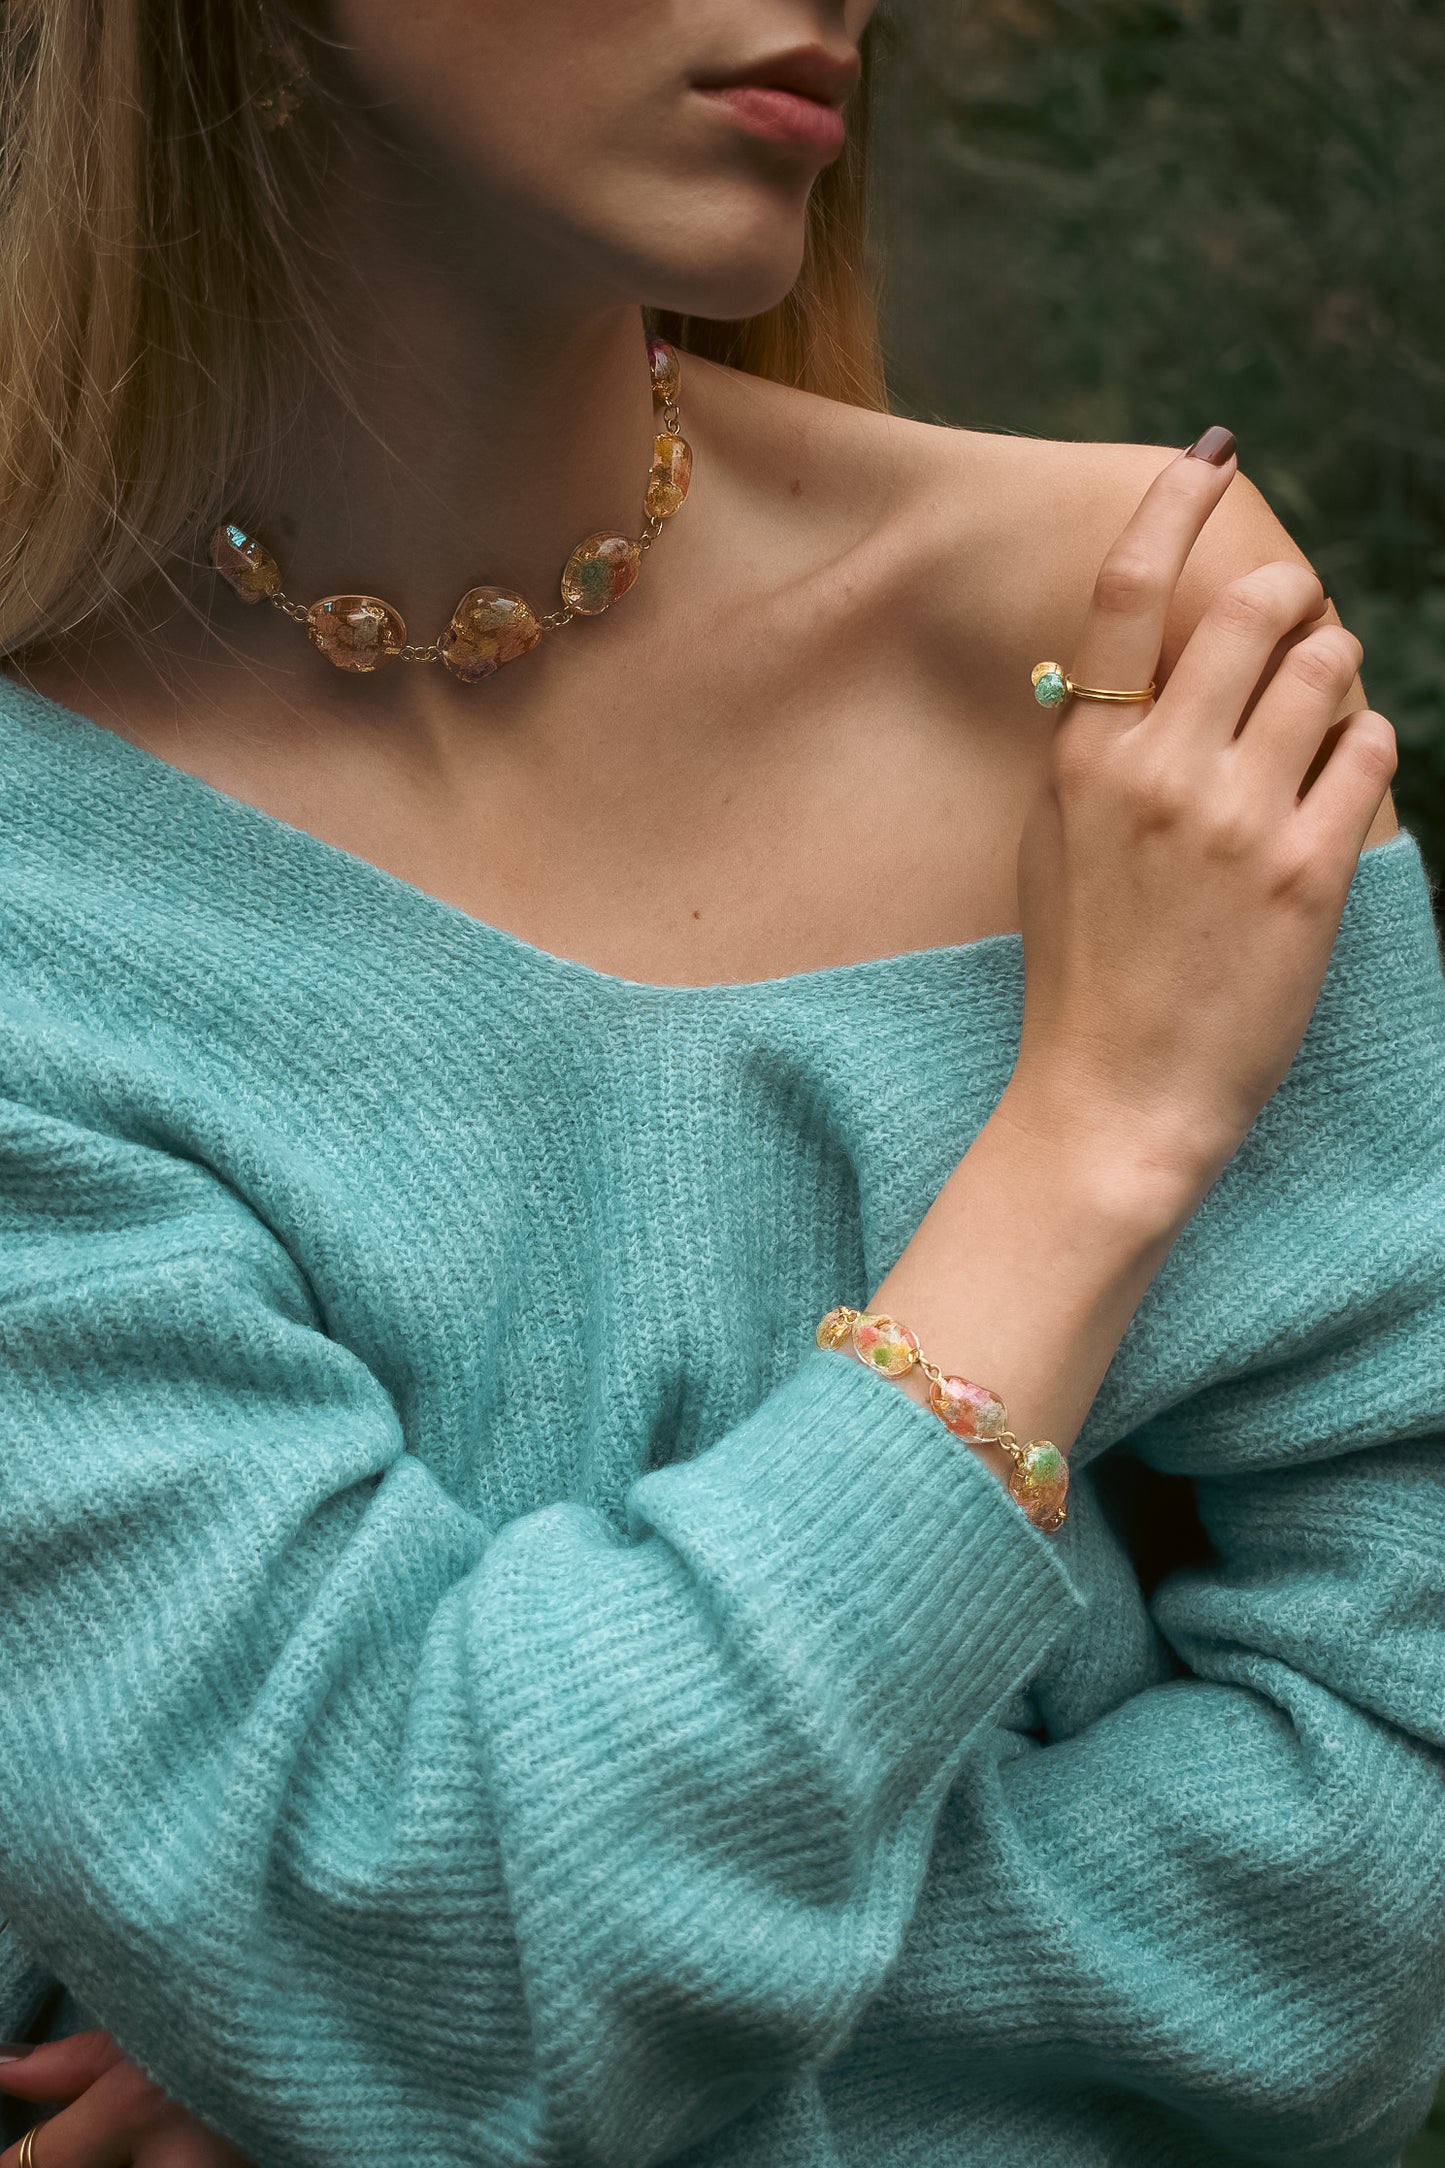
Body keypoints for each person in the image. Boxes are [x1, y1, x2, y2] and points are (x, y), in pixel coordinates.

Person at [0, 4, 1441, 2165]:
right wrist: (1092, 1135)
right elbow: (426, 1943)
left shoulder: (1120, 651)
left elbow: (1401, 1848)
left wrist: (415, 2058)